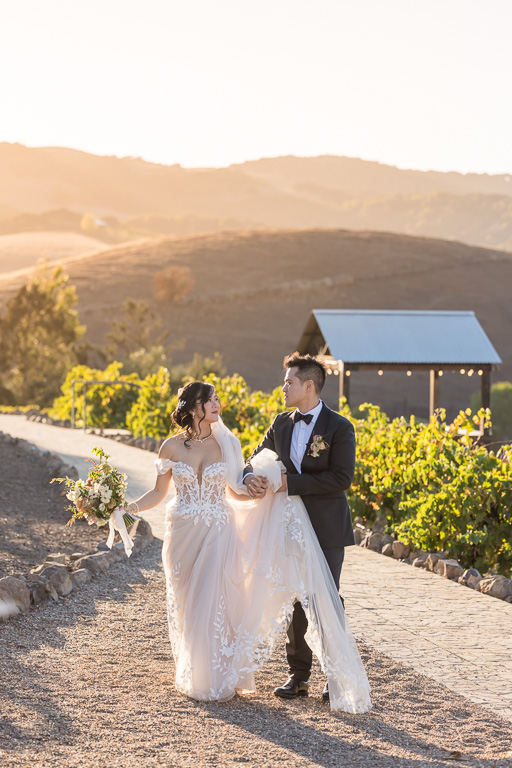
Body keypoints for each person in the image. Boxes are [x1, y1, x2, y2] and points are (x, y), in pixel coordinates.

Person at [124, 379, 370, 712]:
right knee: (187, 603)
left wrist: (254, 483)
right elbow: (157, 493)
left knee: (210, 600)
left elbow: (237, 488)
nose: (217, 403)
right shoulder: (169, 447)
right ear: (193, 406)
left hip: (217, 532)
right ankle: (195, 669)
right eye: (210, 399)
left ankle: (211, 678)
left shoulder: (228, 443)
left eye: (216, 398)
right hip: (181, 533)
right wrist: (127, 508)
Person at [244, 353, 356, 703]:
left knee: (325, 598)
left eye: (289, 382)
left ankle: (335, 675)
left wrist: (287, 484)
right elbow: (255, 456)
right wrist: (249, 477)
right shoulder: (281, 423)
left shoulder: (339, 427)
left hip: (325, 526)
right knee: (294, 598)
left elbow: (342, 478)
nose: (283, 387)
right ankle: (298, 676)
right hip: (288, 525)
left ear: (309, 386)